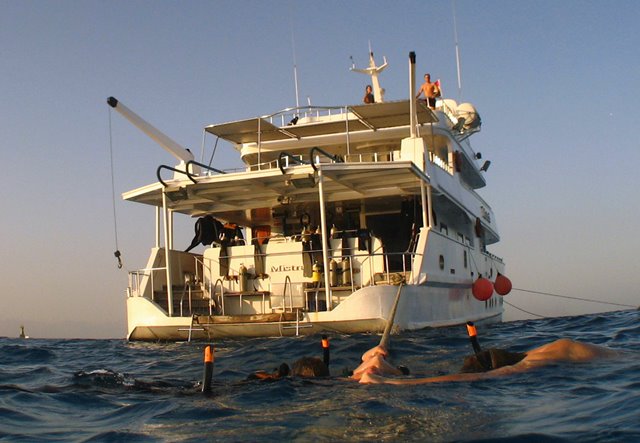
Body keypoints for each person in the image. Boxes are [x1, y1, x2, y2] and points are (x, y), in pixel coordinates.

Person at [358, 338, 619, 385]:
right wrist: (393, 381)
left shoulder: (559, 351)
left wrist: (394, 382)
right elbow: (482, 376)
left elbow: (483, 377)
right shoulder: (559, 348)